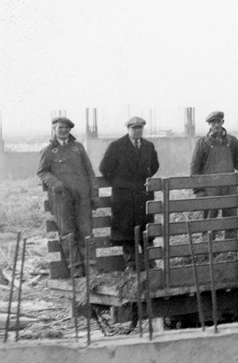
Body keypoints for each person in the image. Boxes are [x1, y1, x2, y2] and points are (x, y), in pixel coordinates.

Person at [37, 116, 98, 277]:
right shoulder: (49, 150)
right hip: (62, 198)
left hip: (82, 197)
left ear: (70, 130)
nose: (63, 131)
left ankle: (90, 266)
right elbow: (42, 171)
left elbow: (90, 172)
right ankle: (76, 268)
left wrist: (94, 193)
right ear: (54, 129)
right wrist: (54, 183)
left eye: (66, 128)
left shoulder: (78, 148)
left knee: (86, 230)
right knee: (67, 232)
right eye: (60, 128)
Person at [99, 116, 160, 270]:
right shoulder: (116, 146)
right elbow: (105, 168)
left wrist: (141, 181)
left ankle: (149, 261)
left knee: (145, 227)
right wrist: (121, 183)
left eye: (140, 128)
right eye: (134, 128)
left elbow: (154, 166)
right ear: (128, 129)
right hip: (124, 196)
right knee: (127, 230)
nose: (137, 131)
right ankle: (132, 264)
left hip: (142, 194)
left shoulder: (148, 146)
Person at [189, 111, 238, 235]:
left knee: (231, 222)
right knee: (208, 225)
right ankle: (206, 250)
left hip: (229, 188)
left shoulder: (232, 141)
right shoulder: (202, 143)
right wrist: (198, 191)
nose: (216, 125)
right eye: (212, 122)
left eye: (218, 121)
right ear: (209, 125)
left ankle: (230, 249)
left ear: (223, 122)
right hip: (210, 190)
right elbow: (194, 169)